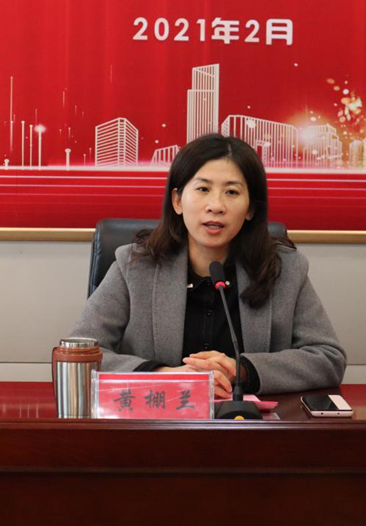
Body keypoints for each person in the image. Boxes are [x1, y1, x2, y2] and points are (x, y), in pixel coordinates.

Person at [72, 133, 346, 396]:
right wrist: (164, 375)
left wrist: (242, 371)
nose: (216, 205)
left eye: (232, 192)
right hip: (159, 421)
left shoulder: (283, 269)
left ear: (250, 209)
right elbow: (79, 355)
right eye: (203, 189)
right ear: (177, 200)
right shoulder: (134, 266)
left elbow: (328, 357)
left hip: (250, 423)